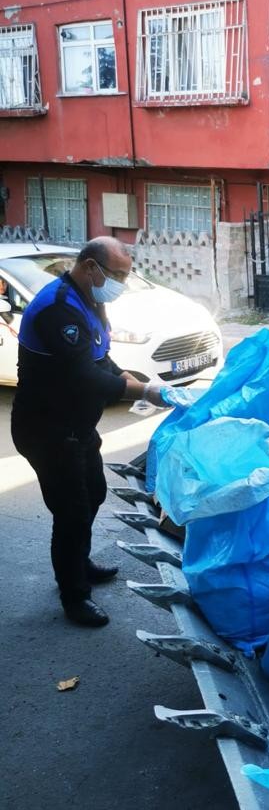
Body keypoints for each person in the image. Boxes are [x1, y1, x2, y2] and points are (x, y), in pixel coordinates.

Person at [11, 237, 167, 627]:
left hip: (77, 426)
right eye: (117, 275)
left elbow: (99, 355)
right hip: (46, 428)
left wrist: (124, 375)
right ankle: (73, 596)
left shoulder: (88, 300)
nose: (121, 283)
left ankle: (78, 562)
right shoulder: (57, 308)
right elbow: (82, 375)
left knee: (93, 492)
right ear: (90, 267)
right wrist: (143, 390)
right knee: (71, 513)